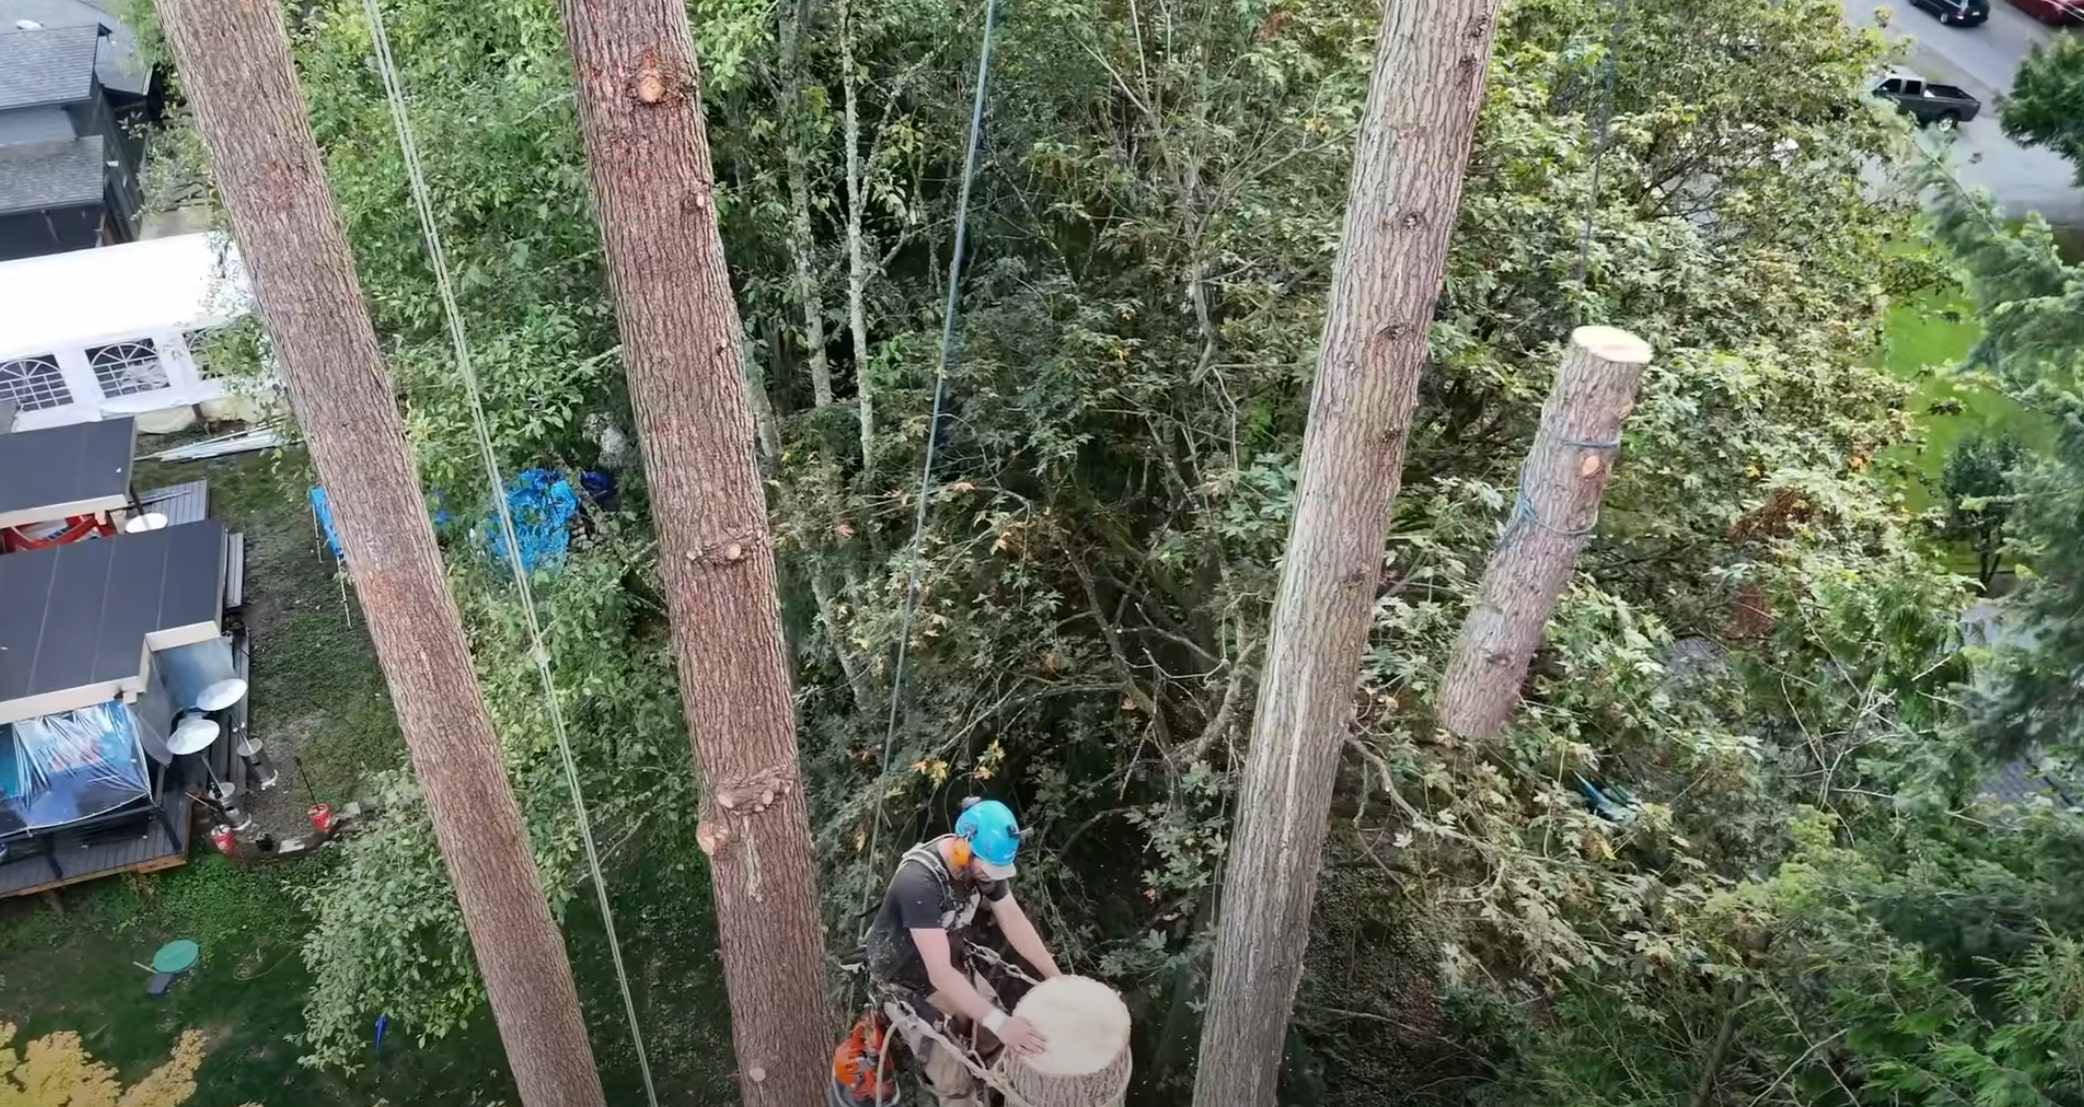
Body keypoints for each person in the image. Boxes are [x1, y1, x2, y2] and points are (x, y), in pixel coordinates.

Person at [863, 798, 1062, 1107]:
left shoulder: (981, 865)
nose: (992, 876)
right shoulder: (918, 883)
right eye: (988, 868)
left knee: (993, 1036)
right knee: (952, 1074)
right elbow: (939, 974)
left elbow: (1012, 918)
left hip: (947, 958)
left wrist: (1056, 977)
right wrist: (1001, 1022)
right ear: (963, 847)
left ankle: (1005, 1092)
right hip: (907, 979)